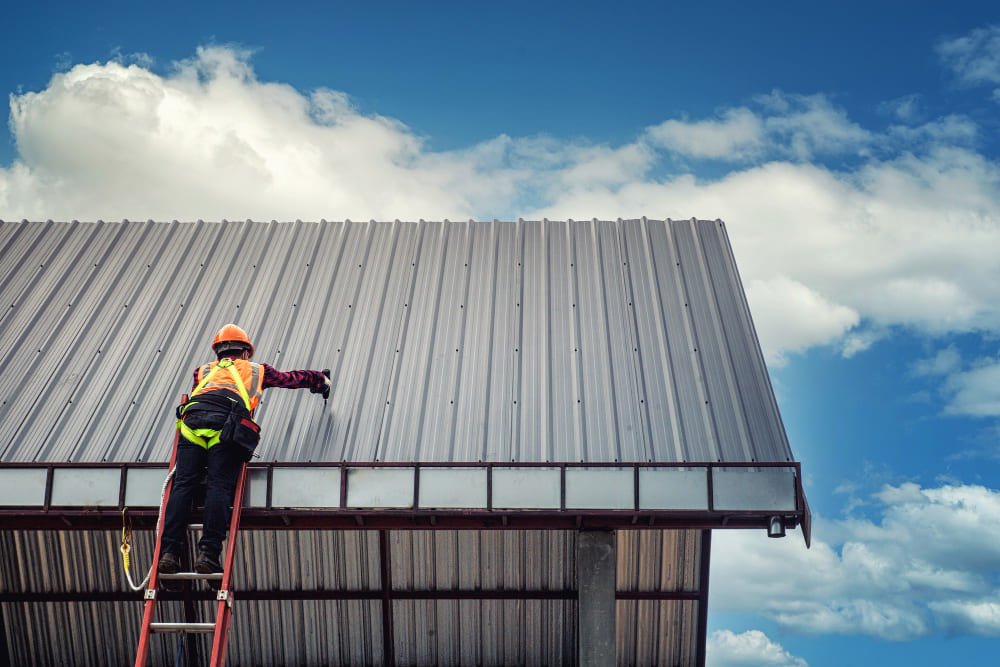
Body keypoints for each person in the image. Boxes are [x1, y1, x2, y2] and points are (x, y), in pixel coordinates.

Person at [157, 324, 330, 583]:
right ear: (246, 352)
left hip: (192, 424)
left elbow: (201, 394)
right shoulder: (257, 370)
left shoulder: (202, 371)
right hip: (225, 427)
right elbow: (293, 379)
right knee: (219, 486)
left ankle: (169, 553)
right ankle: (208, 555)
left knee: (183, 485)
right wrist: (321, 381)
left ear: (218, 352)